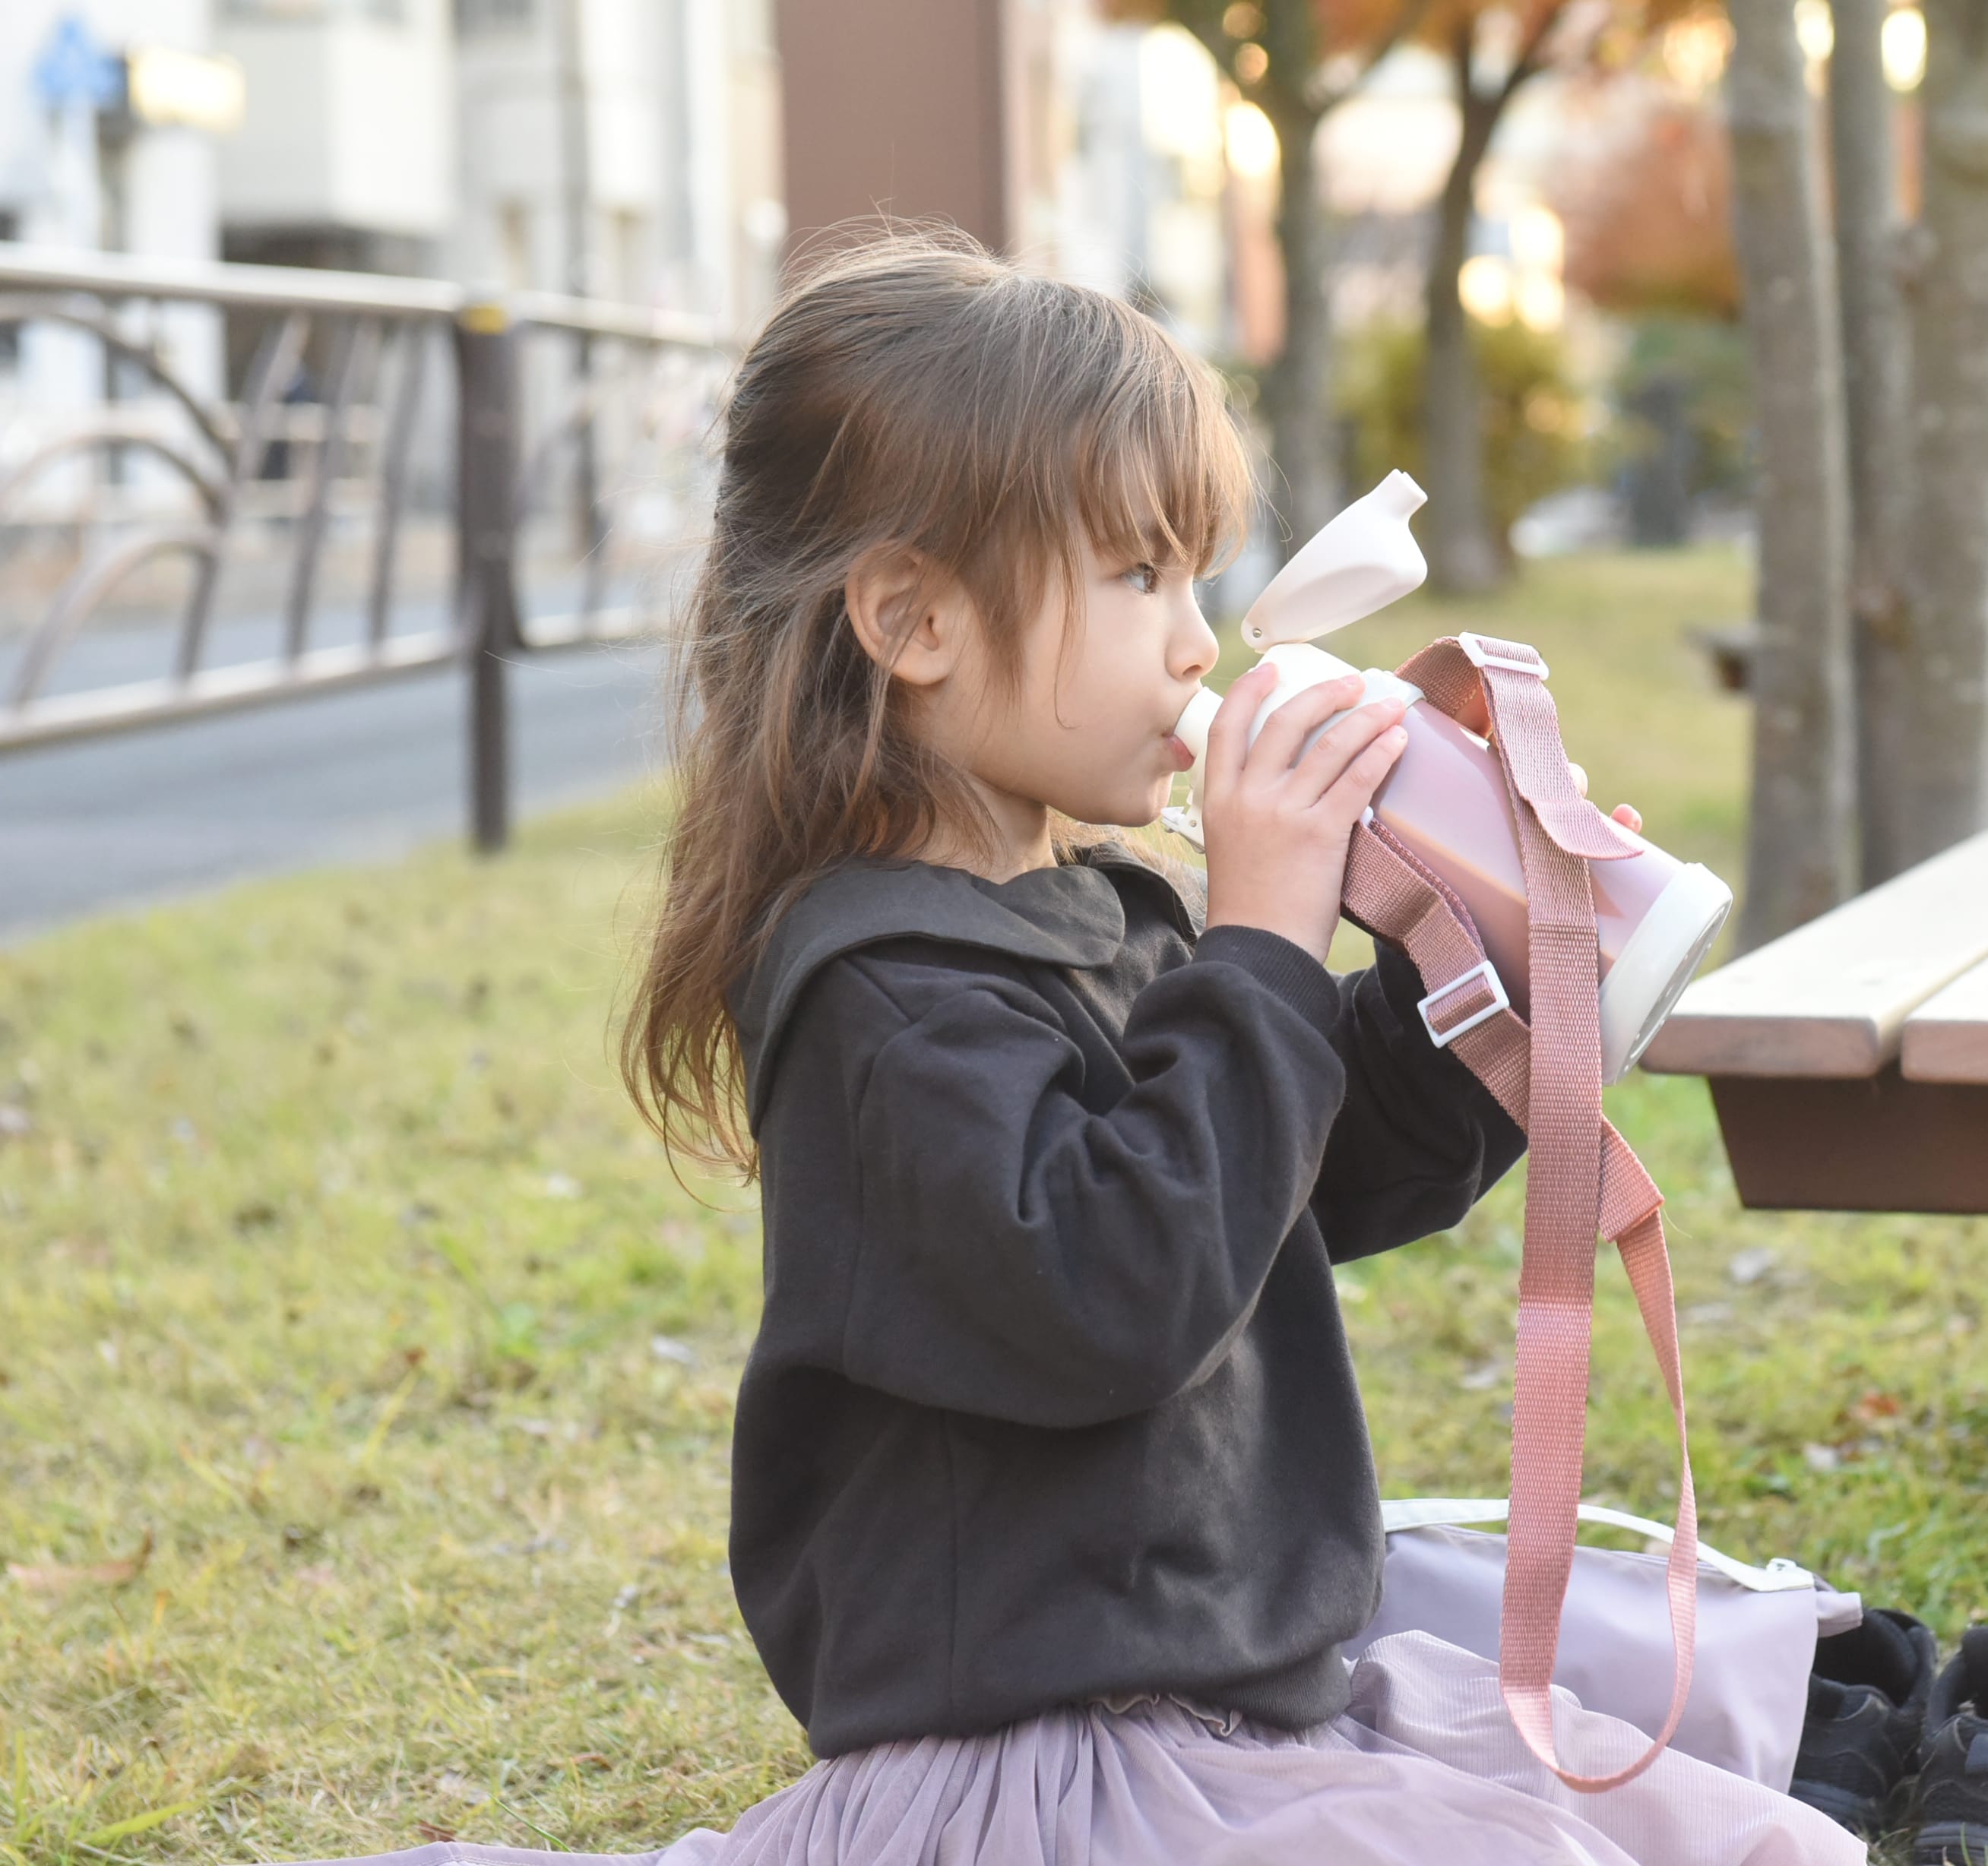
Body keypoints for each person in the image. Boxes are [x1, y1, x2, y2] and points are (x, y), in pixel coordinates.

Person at [302, 229, 1865, 1866]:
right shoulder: (878, 996)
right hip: (1056, 1767)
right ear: (912, 619)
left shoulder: (1106, 916)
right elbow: (1124, 1289)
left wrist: (1478, 989)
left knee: (1771, 1849)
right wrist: (1261, 933)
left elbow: (1282, 1189)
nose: (1198, 643)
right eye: (1137, 578)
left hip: (1250, 1708)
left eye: (1194, 575)